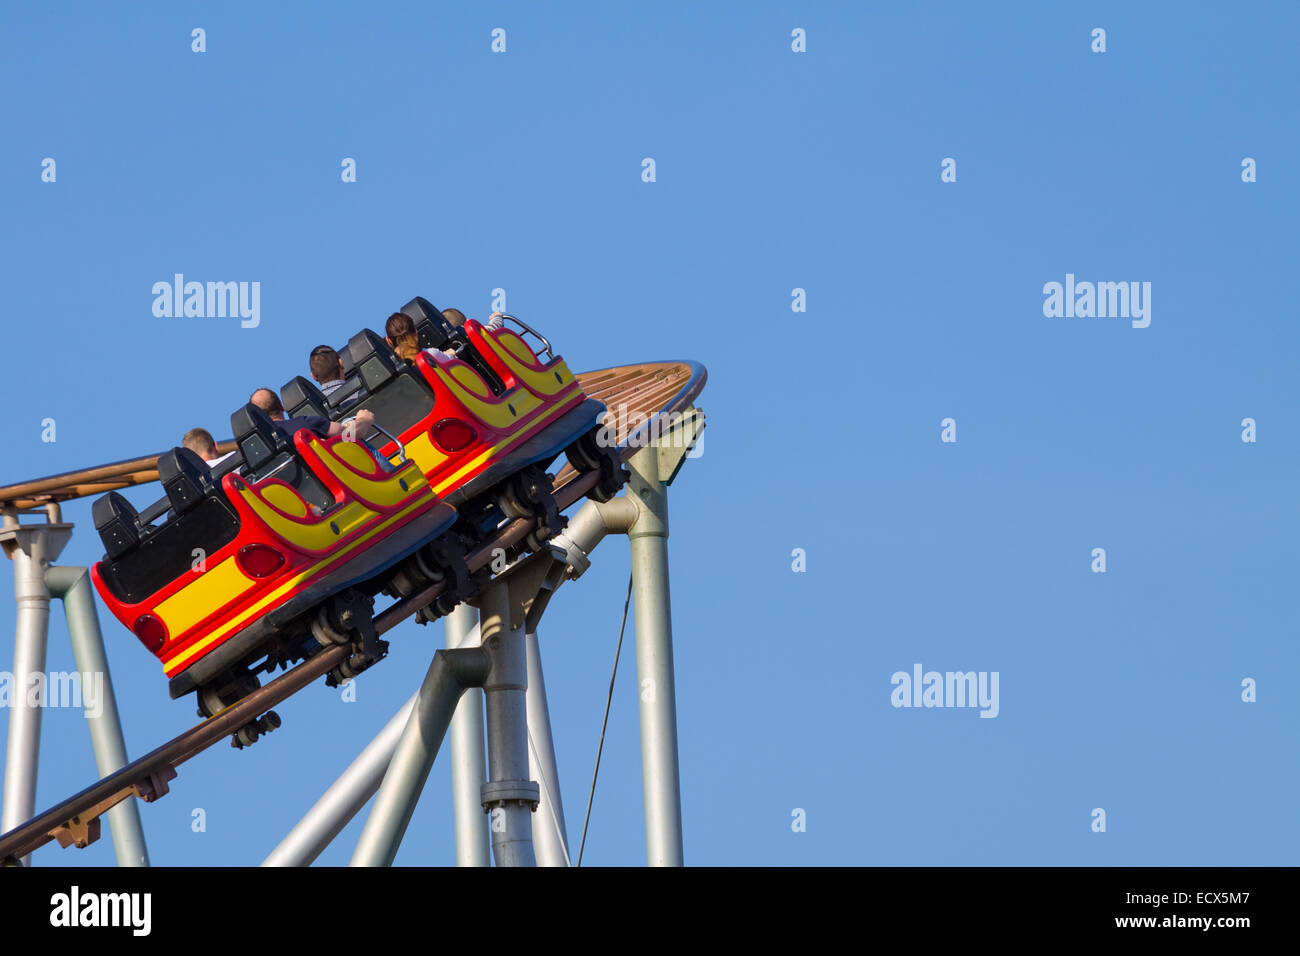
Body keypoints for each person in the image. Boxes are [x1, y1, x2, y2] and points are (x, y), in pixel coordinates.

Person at [248, 387, 373, 441]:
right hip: (336, 481)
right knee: (347, 423)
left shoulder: (259, 452)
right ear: (281, 406)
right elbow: (349, 435)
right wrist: (364, 419)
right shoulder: (304, 424)